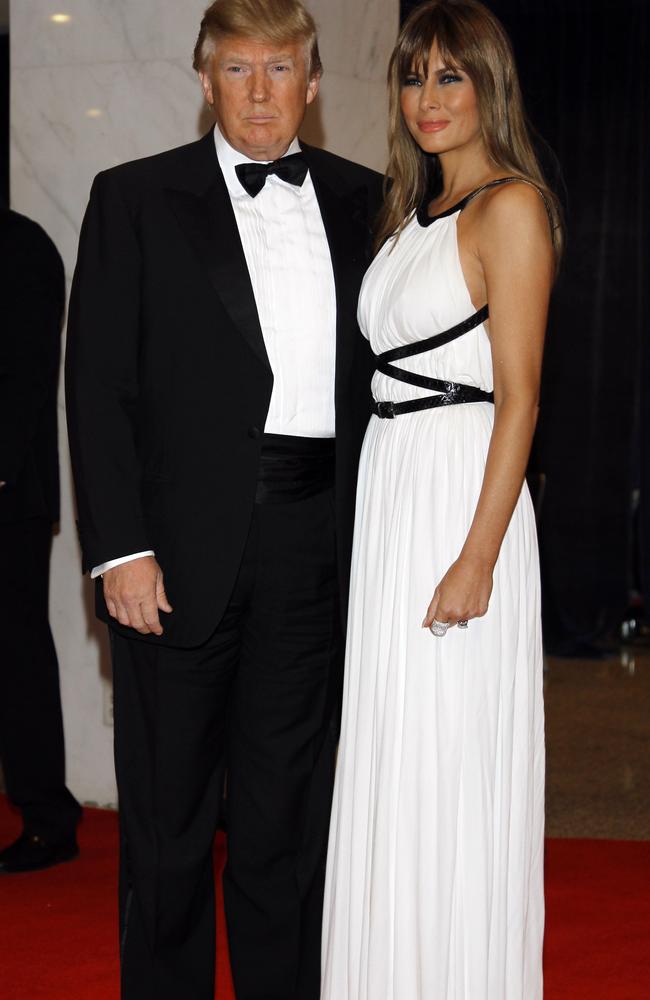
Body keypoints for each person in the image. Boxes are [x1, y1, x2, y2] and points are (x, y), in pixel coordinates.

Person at [65, 1, 382, 997]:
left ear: (312, 83)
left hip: (313, 547)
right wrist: (119, 549)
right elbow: (98, 385)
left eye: (279, 68)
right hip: (174, 554)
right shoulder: (134, 197)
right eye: (237, 68)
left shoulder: (365, 200)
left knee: (286, 817)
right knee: (165, 823)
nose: (258, 91)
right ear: (203, 80)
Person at [321, 2, 562, 998]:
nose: (427, 97)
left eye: (448, 76)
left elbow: (519, 397)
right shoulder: (405, 211)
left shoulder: (507, 207)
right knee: (391, 751)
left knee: (449, 756)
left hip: (461, 495)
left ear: (486, 87)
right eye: (412, 77)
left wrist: (477, 555)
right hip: (392, 489)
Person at [0, 207, 82, 874]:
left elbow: (25, 381)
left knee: (17, 660)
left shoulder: (22, 245)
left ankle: (48, 820)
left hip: (9, 500)